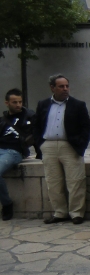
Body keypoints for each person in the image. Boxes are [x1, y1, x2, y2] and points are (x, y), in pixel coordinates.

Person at [34, 75, 90, 225]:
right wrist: (40, 144)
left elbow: (86, 127)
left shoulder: (78, 105)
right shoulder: (43, 104)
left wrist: (81, 145)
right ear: (52, 88)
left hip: (70, 146)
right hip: (49, 146)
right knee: (53, 182)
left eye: (67, 86)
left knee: (75, 181)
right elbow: (36, 126)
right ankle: (60, 212)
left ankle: (76, 213)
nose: (65, 89)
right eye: (61, 86)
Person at [0, 89, 36, 221]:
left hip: (13, 151)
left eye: (20, 102)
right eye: (14, 102)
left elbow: (36, 135)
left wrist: (40, 154)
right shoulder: (3, 120)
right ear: (7, 103)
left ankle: (7, 204)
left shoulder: (29, 117)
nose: (18, 105)